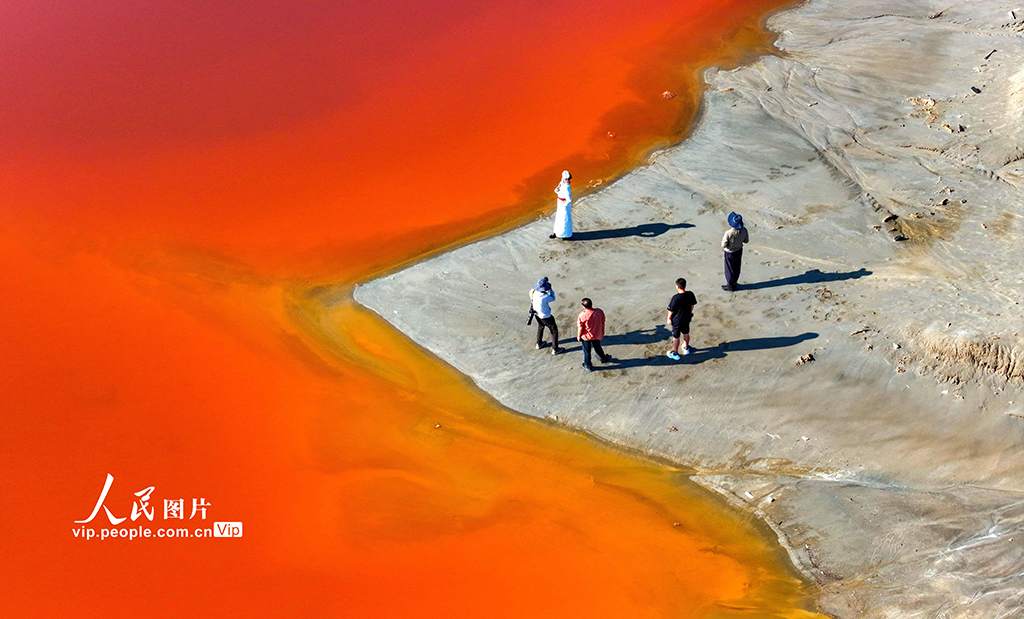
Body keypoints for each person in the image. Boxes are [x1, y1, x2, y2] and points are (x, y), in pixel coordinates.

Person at [666, 278, 696, 360]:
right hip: (686, 318)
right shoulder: (690, 294)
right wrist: (689, 312)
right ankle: (686, 347)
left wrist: (668, 318)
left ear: (677, 286)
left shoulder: (675, 298)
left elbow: (671, 310)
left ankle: (675, 353)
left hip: (677, 320)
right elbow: (692, 305)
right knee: (686, 332)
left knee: (676, 336)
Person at [577, 298, 611, 371]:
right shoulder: (599, 311)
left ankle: (587, 365)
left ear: (583, 306)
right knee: (597, 346)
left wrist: (579, 336)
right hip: (596, 334)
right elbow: (603, 321)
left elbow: (580, 327)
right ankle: (603, 358)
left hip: (586, 336)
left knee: (587, 351)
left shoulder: (582, 315)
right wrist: (602, 331)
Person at [530, 277, 563, 354]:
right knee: (554, 331)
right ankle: (555, 349)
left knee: (540, 327)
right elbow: (553, 298)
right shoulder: (545, 297)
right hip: (546, 316)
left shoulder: (532, 292)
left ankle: (539, 343)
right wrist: (551, 289)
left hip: (536, 314)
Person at [722, 212, 749, 291]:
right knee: (737, 267)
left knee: (729, 268)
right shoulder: (744, 230)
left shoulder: (728, 233)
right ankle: (735, 282)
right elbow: (746, 241)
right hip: (739, 250)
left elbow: (723, 244)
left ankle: (730, 286)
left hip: (729, 252)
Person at [550, 170, 573, 239]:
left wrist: (565, 204)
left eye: (567, 179)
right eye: (566, 179)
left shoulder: (567, 187)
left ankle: (566, 235)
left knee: (564, 219)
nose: (566, 181)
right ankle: (556, 232)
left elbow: (569, 199)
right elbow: (558, 190)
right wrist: (556, 191)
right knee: (558, 218)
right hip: (559, 202)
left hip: (563, 205)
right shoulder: (561, 182)